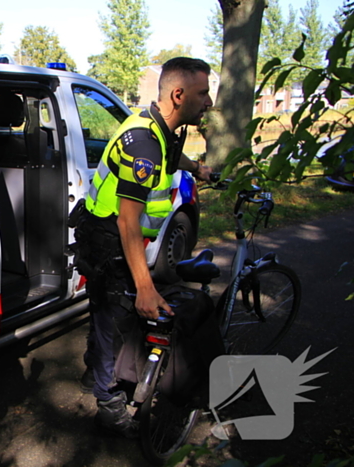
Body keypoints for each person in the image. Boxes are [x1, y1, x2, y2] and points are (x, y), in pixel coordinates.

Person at [74, 57, 215, 438]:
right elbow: (127, 221)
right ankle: (108, 407)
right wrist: (146, 286)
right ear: (178, 94)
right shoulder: (145, 145)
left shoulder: (159, 128)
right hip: (109, 240)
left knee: (105, 313)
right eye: (203, 93)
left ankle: (93, 374)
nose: (209, 102)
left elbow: (171, 154)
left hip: (103, 234)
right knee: (116, 325)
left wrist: (196, 168)